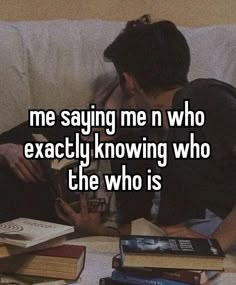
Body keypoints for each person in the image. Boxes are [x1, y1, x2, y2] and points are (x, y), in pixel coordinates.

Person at [66, 14, 235, 251]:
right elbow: (166, 229)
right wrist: (99, 232)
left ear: (129, 81)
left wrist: (215, 244)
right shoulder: (161, 136)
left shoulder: (201, 97)